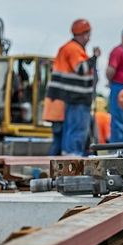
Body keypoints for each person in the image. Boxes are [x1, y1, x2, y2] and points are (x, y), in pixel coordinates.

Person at [43, 19, 100, 155]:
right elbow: (80, 69)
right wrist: (94, 58)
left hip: (64, 102)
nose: (89, 38)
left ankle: (55, 171)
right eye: (88, 34)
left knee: (60, 141)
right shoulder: (73, 49)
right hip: (75, 100)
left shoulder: (70, 49)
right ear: (84, 34)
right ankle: (70, 166)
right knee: (75, 136)